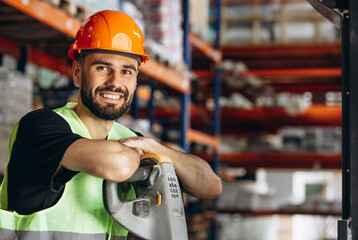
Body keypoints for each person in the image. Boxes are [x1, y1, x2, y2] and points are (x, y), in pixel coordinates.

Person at [0, 10, 222, 240]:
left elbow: (211, 186)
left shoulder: (129, 138)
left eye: (126, 71)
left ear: (136, 81)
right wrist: (148, 154)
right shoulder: (40, 127)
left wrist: (160, 150)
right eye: (103, 68)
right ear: (77, 73)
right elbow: (119, 164)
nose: (115, 82)